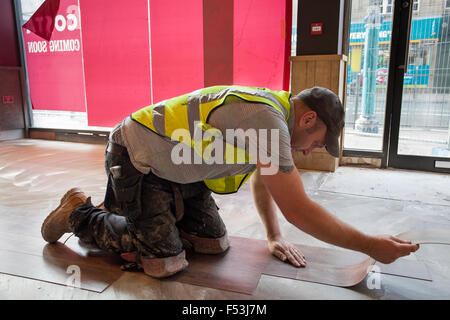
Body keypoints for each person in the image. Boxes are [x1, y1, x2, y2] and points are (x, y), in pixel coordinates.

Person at [41, 85, 419, 278]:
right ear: (308, 120)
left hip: (181, 170)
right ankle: (80, 213)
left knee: (214, 243)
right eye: (317, 143)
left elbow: (265, 180)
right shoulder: (267, 120)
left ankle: (160, 222)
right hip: (138, 157)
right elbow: (299, 209)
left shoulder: (276, 116)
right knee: (165, 264)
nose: (310, 151)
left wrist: (273, 235)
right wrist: (369, 245)